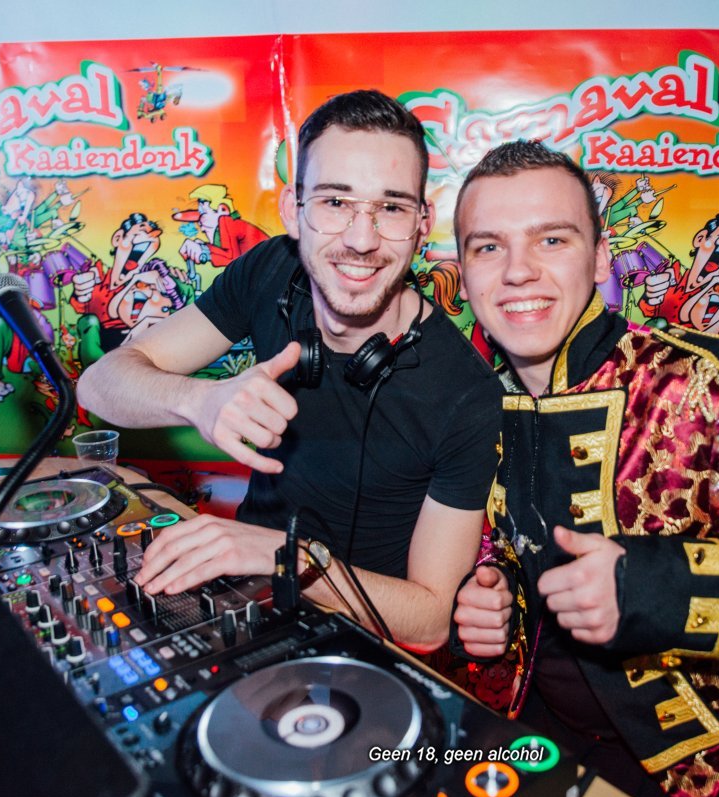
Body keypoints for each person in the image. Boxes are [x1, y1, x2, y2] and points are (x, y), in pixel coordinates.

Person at [449, 141, 719, 797]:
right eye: (488, 246)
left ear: (600, 257)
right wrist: (488, 597)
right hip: (530, 736)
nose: (518, 270)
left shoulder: (707, 384)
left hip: (699, 770)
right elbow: (501, 548)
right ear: (464, 273)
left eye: (551, 239)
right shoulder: (474, 404)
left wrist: (653, 589)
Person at [78, 90, 503, 651]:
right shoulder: (270, 272)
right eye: (335, 202)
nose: (361, 239)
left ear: (422, 223)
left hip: (360, 646)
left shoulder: (465, 393)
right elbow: (98, 385)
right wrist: (199, 401)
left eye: (391, 208)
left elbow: (429, 619)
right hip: (242, 598)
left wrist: (287, 557)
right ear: (291, 209)